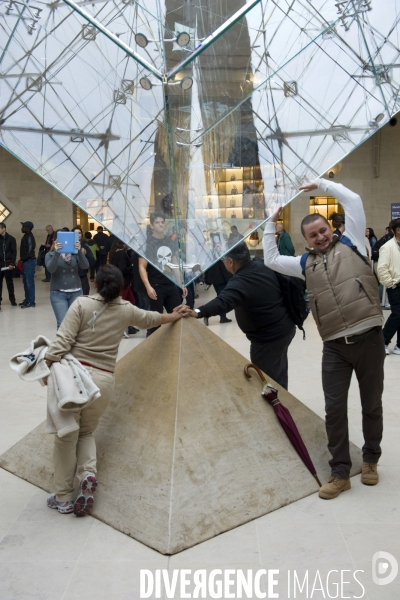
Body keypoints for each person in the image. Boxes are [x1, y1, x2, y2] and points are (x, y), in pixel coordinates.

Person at [263, 178, 384, 500]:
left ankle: (371, 459)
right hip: (334, 347)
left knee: (371, 405)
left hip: (369, 339)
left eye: (323, 231)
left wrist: (323, 186)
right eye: (313, 235)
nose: (320, 237)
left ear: (331, 228)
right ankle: (340, 472)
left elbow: (355, 198)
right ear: (306, 240)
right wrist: (271, 224)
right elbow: (271, 260)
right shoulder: (305, 264)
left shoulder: (355, 243)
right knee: (334, 409)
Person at [43, 264, 182, 516]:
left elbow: (62, 342)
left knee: (66, 437)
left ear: (95, 282)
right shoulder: (125, 309)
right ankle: (87, 474)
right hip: (103, 382)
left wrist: (47, 367)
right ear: (121, 286)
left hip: (75, 379)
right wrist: (176, 315)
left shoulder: (81, 305)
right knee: (86, 432)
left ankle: (63, 497)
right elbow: (152, 319)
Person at [176, 242, 296, 389]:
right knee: (279, 370)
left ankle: (278, 406)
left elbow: (223, 301)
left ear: (230, 262)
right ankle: (283, 397)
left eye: (223, 260)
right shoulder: (260, 264)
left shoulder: (241, 281)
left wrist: (197, 312)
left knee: (267, 381)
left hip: (267, 339)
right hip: (285, 328)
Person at [138, 212, 187, 336]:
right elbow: (142, 266)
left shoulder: (169, 241)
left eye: (162, 222)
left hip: (170, 284)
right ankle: (153, 347)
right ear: (152, 226)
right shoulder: (147, 243)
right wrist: (148, 286)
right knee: (155, 321)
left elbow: (174, 263)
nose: (160, 225)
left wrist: (181, 283)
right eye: (157, 222)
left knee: (178, 314)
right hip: (155, 285)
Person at [45, 230, 89, 328]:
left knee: (76, 324)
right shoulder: (50, 255)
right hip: (58, 293)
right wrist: (57, 253)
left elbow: (85, 266)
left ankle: (74, 344)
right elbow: (51, 269)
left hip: (76, 291)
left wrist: (79, 251)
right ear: (55, 241)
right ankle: (63, 344)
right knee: (62, 324)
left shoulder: (74, 253)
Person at [377, 218, 400, 356]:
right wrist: (390, 283)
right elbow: (382, 268)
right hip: (395, 286)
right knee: (397, 314)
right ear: (398, 230)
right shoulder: (387, 247)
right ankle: (383, 341)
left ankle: (399, 345)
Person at [204, 260, 233, 324]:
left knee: (221, 298)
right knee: (222, 300)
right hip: (221, 280)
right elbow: (224, 270)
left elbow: (207, 269)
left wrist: (207, 281)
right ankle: (207, 313)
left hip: (215, 281)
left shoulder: (211, 257)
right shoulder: (220, 257)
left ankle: (222, 317)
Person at [0, 222, 17, 310]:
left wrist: (12, 263)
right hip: (0, 264)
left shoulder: (11, 239)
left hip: (8, 263)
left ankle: (12, 299)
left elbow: (14, 252)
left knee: (9, 282)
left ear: (4, 229)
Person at [20, 221, 37, 309]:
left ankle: (31, 302)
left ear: (28, 228)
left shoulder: (29, 237)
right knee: (26, 282)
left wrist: (23, 259)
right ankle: (27, 299)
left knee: (29, 283)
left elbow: (30, 251)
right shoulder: (26, 236)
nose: (22, 228)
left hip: (29, 262)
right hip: (26, 261)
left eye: (23, 226)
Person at [73, 227, 95, 295]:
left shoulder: (84, 247)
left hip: (82, 275)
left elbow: (92, 261)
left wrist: (84, 255)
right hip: (71, 275)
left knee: (85, 293)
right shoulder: (68, 247)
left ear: (82, 235)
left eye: (79, 233)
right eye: (75, 233)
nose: (77, 235)